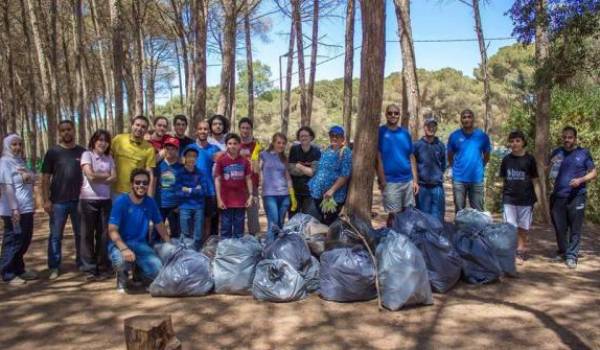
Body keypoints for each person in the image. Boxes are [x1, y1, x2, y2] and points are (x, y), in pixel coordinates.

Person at [108, 168, 170, 293]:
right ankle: (122, 277)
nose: (141, 185)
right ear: (131, 184)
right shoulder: (121, 201)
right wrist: (124, 249)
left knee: (157, 269)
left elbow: (159, 224)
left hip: (140, 244)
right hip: (120, 244)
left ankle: (140, 272)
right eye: (137, 182)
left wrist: (169, 242)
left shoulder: (150, 202)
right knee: (120, 261)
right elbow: (112, 230)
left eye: (145, 183)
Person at [42, 120, 86, 280]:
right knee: (55, 235)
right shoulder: (53, 152)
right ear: (59, 133)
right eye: (63, 130)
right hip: (58, 202)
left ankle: (81, 262)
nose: (66, 132)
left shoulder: (82, 152)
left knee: (80, 234)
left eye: (69, 129)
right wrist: (46, 200)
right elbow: (45, 178)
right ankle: (54, 266)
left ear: (74, 130)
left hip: (78, 201)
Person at [549, 126, 597, 269]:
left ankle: (572, 256)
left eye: (570, 137)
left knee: (575, 228)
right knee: (559, 227)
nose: (566, 140)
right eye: (564, 137)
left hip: (577, 196)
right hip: (558, 196)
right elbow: (547, 169)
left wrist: (580, 180)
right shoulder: (557, 152)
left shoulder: (583, 153)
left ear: (575, 138)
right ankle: (563, 251)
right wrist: (550, 164)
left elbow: (593, 173)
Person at [79, 130, 116, 280]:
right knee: (87, 234)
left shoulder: (109, 158)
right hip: (88, 200)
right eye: (100, 140)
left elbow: (114, 178)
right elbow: (90, 175)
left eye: (106, 140)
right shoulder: (87, 155)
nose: (103, 143)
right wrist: (106, 176)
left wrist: (100, 176)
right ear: (94, 141)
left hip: (105, 200)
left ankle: (103, 266)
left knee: (103, 235)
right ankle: (89, 268)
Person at [0, 134, 37, 285]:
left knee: (24, 240)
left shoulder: (20, 161)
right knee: (13, 240)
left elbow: (33, 177)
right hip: (13, 210)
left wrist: (28, 175)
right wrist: (14, 209)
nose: (17, 148)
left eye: (19, 144)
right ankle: (7, 273)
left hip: (27, 207)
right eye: (14, 145)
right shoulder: (4, 162)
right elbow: (7, 186)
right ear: (8, 146)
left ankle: (19, 269)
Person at [499, 130, 538, 264]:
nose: (514, 143)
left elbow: (534, 179)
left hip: (526, 199)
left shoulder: (530, 159)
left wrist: (537, 198)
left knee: (523, 226)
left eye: (517, 141)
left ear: (523, 143)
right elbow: (503, 178)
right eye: (512, 141)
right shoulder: (506, 159)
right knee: (510, 226)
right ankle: (510, 251)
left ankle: (520, 251)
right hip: (509, 198)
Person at [376, 104, 419, 227]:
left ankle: (405, 241)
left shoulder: (405, 133)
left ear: (399, 115)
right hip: (390, 182)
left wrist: (415, 180)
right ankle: (392, 238)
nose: (393, 115)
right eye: (390, 113)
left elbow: (411, 157)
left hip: (407, 180)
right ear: (386, 114)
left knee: (408, 213)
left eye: (396, 113)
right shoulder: (381, 132)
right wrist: (382, 179)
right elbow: (377, 157)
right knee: (393, 215)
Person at [448, 109, 491, 212]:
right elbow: (450, 155)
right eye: (464, 117)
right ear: (461, 120)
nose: (467, 119)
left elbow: (487, 155)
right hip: (459, 180)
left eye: (469, 116)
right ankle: (459, 228)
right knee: (459, 211)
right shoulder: (454, 136)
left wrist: (480, 166)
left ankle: (479, 229)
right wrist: (456, 169)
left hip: (476, 179)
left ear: (473, 119)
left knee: (478, 212)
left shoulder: (482, 136)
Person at [308, 125, 352, 225]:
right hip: (318, 193)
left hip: (333, 197)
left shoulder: (345, 152)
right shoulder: (326, 150)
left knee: (329, 222)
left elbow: (345, 175)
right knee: (321, 221)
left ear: (343, 138)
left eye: (338, 136)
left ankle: (330, 240)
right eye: (332, 135)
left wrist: (332, 190)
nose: (334, 138)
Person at [185, 120, 222, 239]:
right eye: (200, 129)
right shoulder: (190, 148)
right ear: (196, 131)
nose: (203, 131)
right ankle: (193, 246)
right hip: (192, 190)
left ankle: (205, 248)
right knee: (193, 221)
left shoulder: (215, 149)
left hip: (209, 190)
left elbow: (226, 160)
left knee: (207, 221)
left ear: (209, 131)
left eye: (205, 129)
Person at [215, 134, 254, 238]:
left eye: (235, 143)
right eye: (230, 143)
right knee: (225, 228)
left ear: (239, 145)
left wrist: (250, 196)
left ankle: (237, 251)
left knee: (239, 229)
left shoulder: (244, 161)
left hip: (240, 201)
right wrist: (219, 199)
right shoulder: (221, 160)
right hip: (225, 200)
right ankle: (225, 251)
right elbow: (217, 179)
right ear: (226, 145)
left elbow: (248, 179)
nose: (232, 146)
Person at [260, 133, 295, 243]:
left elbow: (288, 177)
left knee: (280, 223)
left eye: (283, 143)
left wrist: (292, 195)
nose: (281, 145)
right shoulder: (264, 155)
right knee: (273, 221)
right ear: (273, 143)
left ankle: (278, 248)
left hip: (284, 195)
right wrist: (254, 157)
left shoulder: (284, 158)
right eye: (278, 142)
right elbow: (256, 170)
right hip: (269, 194)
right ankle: (269, 248)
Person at [111, 115, 157, 197]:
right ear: (132, 125)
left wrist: (150, 197)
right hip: (115, 192)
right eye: (137, 125)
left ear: (146, 130)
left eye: (143, 127)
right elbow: (107, 158)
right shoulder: (118, 139)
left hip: (135, 193)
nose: (139, 128)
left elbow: (149, 173)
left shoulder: (149, 148)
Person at [413, 117, 447, 223]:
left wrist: (438, 176)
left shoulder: (440, 145)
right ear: (424, 128)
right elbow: (412, 164)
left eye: (433, 126)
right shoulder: (417, 145)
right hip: (422, 188)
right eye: (428, 126)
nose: (431, 128)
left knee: (438, 218)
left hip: (437, 187)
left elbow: (443, 164)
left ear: (436, 128)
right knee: (423, 218)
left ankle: (437, 239)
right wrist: (415, 181)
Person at [152, 136, 183, 244]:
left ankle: (174, 254)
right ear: (164, 149)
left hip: (175, 206)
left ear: (177, 151)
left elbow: (182, 187)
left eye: (173, 149)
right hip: (160, 204)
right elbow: (153, 183)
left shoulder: (181, 167)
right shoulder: (158, 165)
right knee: (157, 233)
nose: (170, 151)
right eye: (167, 148)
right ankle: (155, 252)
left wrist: (180, 204)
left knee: (175, 233)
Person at [177, 148, 208, 250]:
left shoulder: (201, 173)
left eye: (194, 156)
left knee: (198, 233)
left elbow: (203, 191)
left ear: (197, 158)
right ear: (184, 158)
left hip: (198, 206)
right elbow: (178, 192)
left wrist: (187, 189)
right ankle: (184, 254)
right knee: (185, 232)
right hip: (184, 206)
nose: (191, 158)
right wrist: (195, 190)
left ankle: (196, 254)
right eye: (189, 156)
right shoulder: (179, 173)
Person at [288, 126, 321, 216]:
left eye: (306, 136)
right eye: (301, 136)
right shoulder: (294, 149)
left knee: (309, 220)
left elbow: (314, 173)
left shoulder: (316, 151)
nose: (303, 138)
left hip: (310, 192)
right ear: (298, 138)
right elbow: (291, 169)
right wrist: (308, 170)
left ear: (311, 137)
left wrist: (299, 166)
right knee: (293, 220)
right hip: (294, 191)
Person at [239, 117, 261, 235]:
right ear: (239, 129)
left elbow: (259, 168)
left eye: (248, 128)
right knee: (238, 216)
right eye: (243, 128)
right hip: (237, 186)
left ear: (251, 130)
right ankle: (239, 242)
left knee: (253, 217)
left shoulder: (256, 145)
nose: (245, 130)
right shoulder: (235, 145)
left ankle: (255, 242)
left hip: (253, 185)